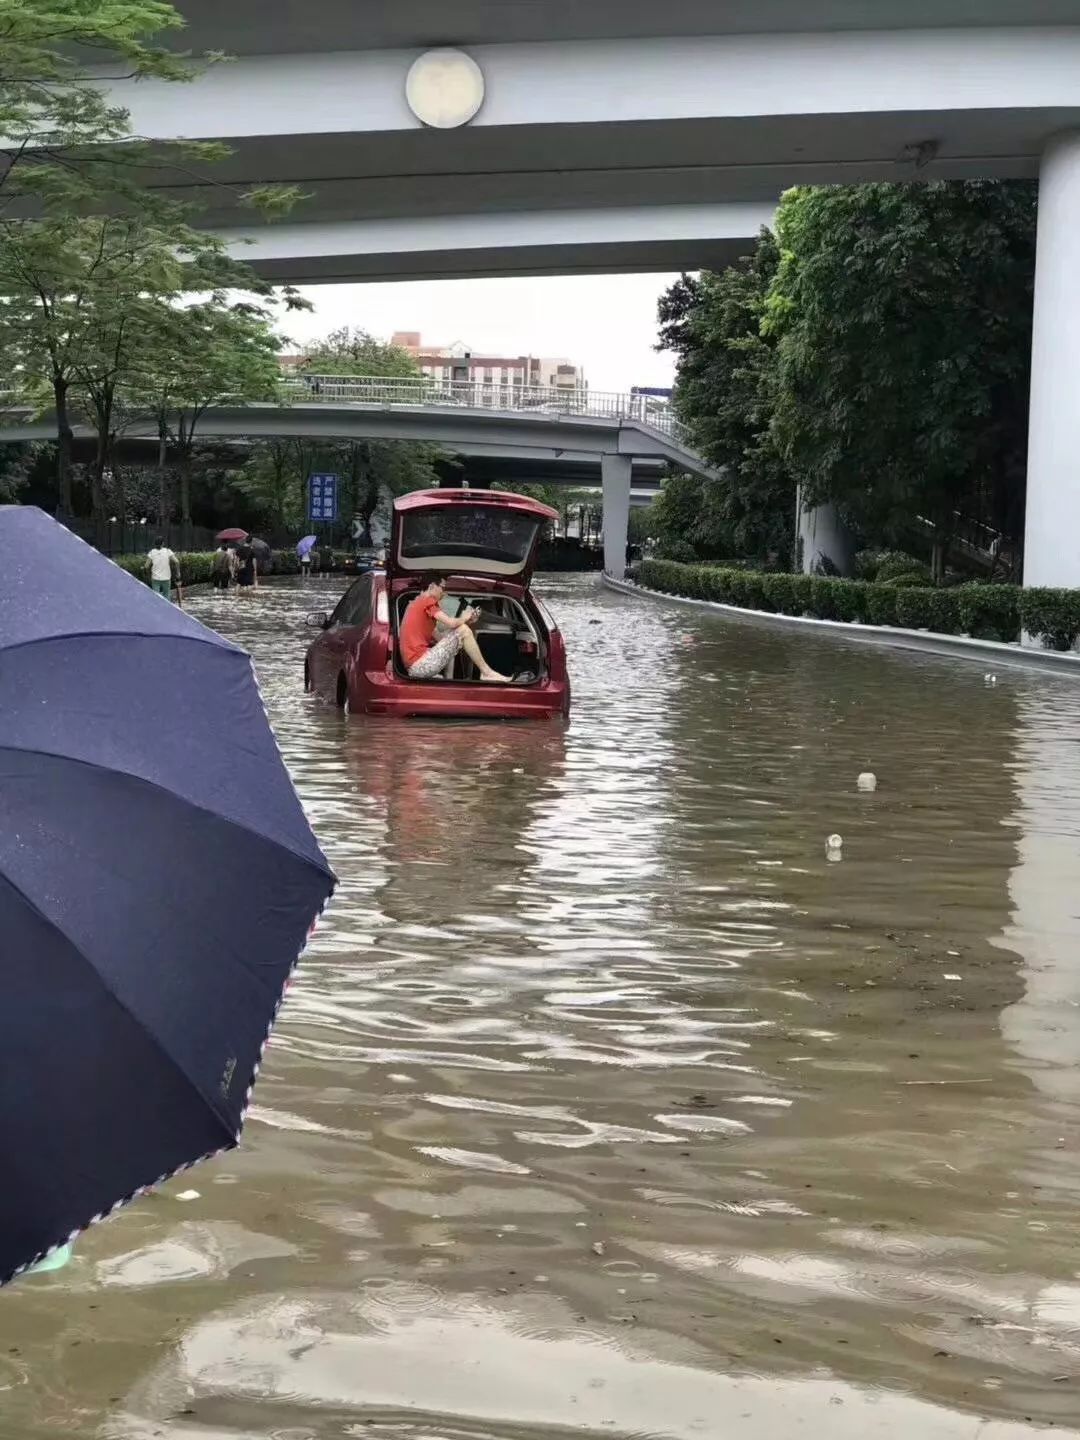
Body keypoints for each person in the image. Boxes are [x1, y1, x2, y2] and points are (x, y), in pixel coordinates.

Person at [399, 576, 511, 682]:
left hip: (415, 668)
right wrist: (464, 617)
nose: (444, 592)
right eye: (442, 587)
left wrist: (467, 621)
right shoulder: (427, 600)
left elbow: (443, 638)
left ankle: (449, 680)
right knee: (463, 630)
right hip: (420, 665)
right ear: (432, 586)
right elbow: (451, 623)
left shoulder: (415, 605)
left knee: (459, 633)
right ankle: (487, 673)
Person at [147, 537, 178, 602]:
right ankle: (166, 610)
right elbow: (176, 562)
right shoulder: (168, 551)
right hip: (166, 578)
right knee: (166, 596)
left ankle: (157, 609)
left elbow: (146, 566)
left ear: (155, 544)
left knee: (156, 597)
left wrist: (143, 568)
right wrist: (178, 573)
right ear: (163, 543)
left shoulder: (152, 552)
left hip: (155, 578)